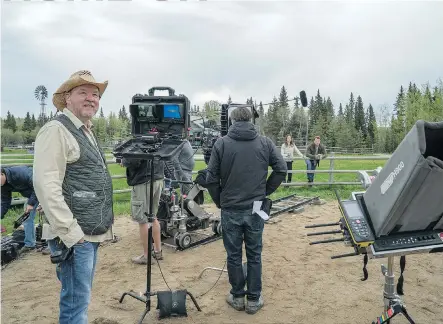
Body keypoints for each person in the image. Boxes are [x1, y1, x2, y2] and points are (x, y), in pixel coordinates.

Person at [33, 70, 114, 324]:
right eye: (83, 93)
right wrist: (72, 233)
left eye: (95, 94)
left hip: (86, 233)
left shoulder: (85, 130)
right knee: (75, 304)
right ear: (67, 98)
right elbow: (46, 186)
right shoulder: (56, 130)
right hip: (75, 235)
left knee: (79, 299)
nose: (91, 98)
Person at [205, 106, 287, 315]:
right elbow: (281, 169)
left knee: (233, 255)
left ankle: (238, 296)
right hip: (256, 208)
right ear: (251, 120)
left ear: (232, 121)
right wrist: (265, 191)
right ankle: (254, 299)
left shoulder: (221, 144)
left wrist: (220, 201)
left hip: (231, 208)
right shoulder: (265, 142)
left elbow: (211, 178)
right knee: (254, 253)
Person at [121, 157, 164, 263]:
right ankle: (158, 251)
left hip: (144, 180)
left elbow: (134, 159)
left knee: (142, 219)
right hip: (157, 177)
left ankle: (147, 256)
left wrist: (124, 161)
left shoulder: (141, 139)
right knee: (152, 216)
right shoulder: (159, 139)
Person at [1, 166, 44, 254]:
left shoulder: (20, 173)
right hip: (32, 195)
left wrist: (31, 203)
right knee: (26, 218)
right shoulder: (3, 185)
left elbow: (38, 186)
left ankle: (55, 244)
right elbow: (5, 201)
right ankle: (30, 244)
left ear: (1, 174)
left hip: (44, 190)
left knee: (50, 218)